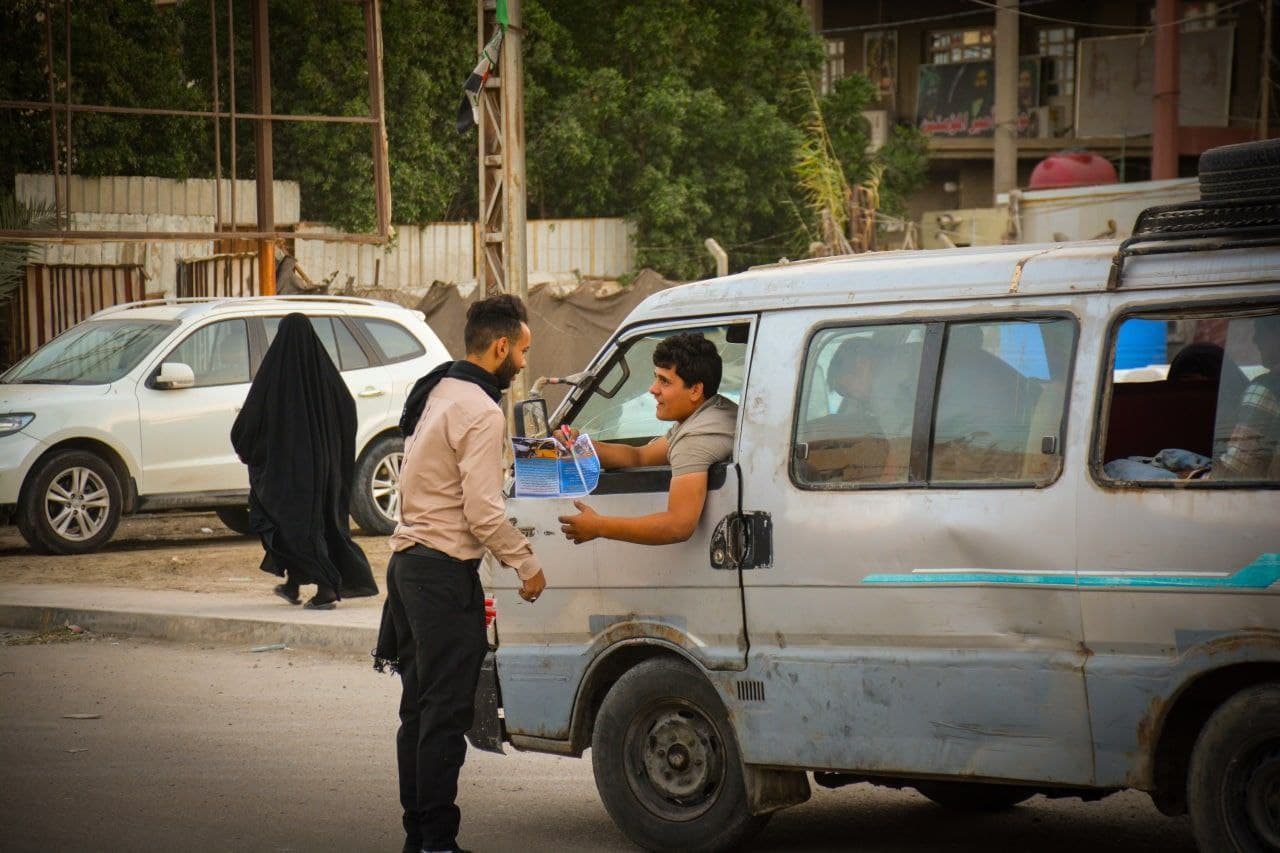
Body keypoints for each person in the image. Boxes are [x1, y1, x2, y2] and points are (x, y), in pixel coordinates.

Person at [373, 293, 547, 853]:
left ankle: (421, 837)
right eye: (522, 352)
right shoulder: (481, 410)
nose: (523, 363)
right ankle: (437, 841)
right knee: (444, 715)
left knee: (419, 712)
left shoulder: (442, 389)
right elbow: (483, 512)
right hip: (440, 574)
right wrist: (526, 562)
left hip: (409, 566)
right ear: (501, 347)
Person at [230, 313, 379, 609]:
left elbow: (248, 423)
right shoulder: (328, 378)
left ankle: (326, 588)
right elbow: (347, 411)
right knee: (319, 525)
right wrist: (334, 456)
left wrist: (250, 449)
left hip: (289, 474)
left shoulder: (275, 377)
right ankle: (294, 583)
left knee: (290, 524)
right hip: (326, 474)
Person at [558, 332, 736, 545]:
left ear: (696, 390)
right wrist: (578, 445)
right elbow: (639, 456)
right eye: (656, 378)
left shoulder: (696, 438)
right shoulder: (711, 412)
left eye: (665, 381)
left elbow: (678, 525)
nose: (653, 389)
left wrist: (599, 526)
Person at [1216, 315, 1280, 480]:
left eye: (1260, 331)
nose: (1255, 339)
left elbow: (1233, 470)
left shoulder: (1265, 389)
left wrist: (1192, 476)